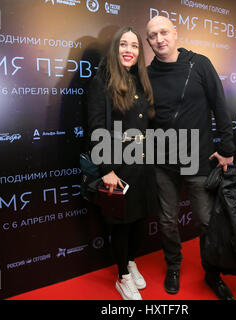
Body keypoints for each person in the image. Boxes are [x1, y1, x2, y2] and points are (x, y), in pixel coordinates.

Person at [146, 16, 236, 300]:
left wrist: (228, 148)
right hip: (162, 160)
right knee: (167, 220)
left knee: (206, 221)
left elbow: (220, 105)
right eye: (152, 35)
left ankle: (213, 273)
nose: (159, 39)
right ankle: (173, 264)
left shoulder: (200, 64)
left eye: (164, 32)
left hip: (198, 158)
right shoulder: (146, 74)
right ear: (148, 42)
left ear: (175, 33)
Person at [86, 26, 156, 300]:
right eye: (123, 45)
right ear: (115, 49)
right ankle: (123, 277)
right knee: (121, 224)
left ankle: (130, 261)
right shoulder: (101, 82)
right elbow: (95, 129)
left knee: (138, 221)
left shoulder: (140, 81)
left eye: (135, 46)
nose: (129, 50)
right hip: (116, 167)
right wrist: (107, 170)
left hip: (141, 166)